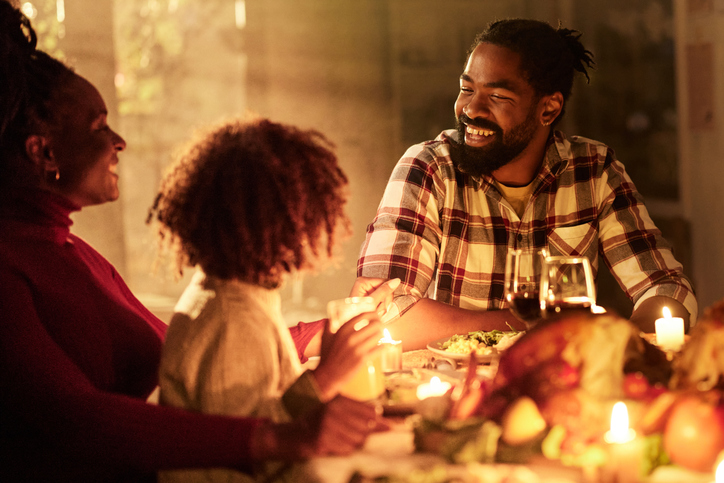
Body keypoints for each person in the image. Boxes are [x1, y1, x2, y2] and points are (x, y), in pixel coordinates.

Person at [0, 3, 383, 481]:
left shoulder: (67, 249)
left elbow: (202, 358)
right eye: (98, 126)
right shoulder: (14, 263)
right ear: (44, 150)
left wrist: (317, 339)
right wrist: (284, 432)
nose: (118, 141)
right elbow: (75, 418)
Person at [355, 18, 697, 350]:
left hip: (560, 386)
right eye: (467, 89)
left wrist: (620, 345)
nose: (471, 109)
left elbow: (666, 289)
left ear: (548, 109)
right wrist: (540, 326)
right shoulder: (428, 168)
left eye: (498, 97)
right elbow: (384, 314)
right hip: (454, 387)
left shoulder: (592, 170)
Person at [147, 116, 390, 482]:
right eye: (307, 213)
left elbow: (265, 410)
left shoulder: (229, 291)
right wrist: (327, 376)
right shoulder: (232, 318)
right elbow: (246, 455)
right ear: (277, 223)